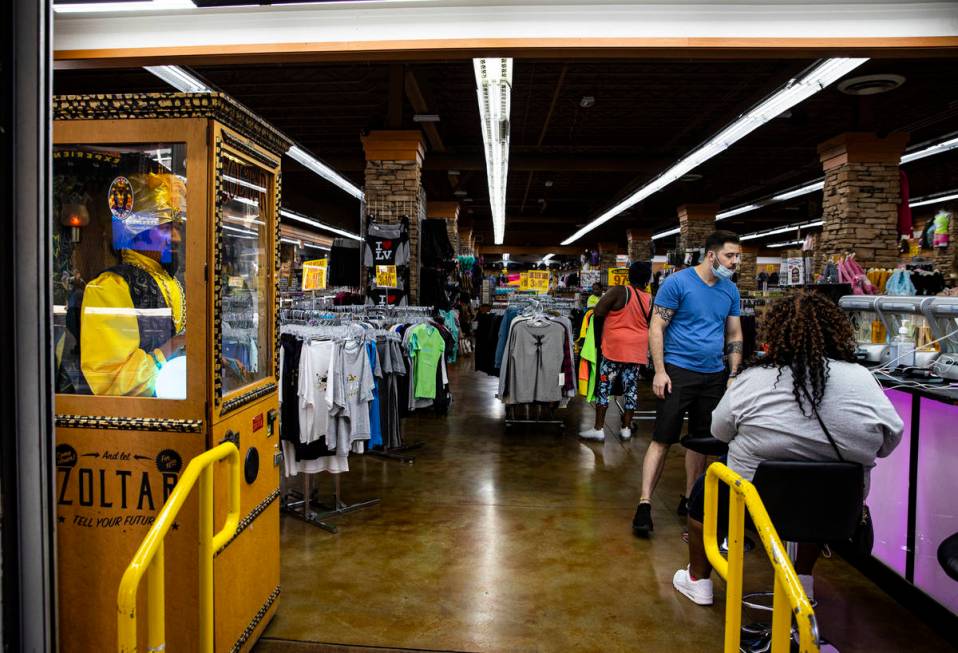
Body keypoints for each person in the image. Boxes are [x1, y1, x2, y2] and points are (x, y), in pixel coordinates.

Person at [672, 290, 903, 606]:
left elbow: (719, 430)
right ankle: (803, 577)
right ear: (837, 331)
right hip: (834, 505)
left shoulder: (754, 377)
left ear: (776, 332)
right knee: (817, 490)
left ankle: (699, 580)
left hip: (753, 505)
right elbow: (889, 440)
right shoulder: (862, 378)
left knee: (704, 491)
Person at [633, 230, 743, 536]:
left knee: (702, 441)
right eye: (729, 256)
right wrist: (659, 370)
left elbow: (734, 334)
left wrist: (732, 375)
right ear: (711, 255)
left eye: (737, 256)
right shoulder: (677, 283)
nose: (735, 262)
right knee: (663, 438)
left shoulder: (729, 291)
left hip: (713, 374)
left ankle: (690, 498)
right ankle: (644, 504)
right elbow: (657, 326)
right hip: (678, 371)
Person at [80, 172, 187, 396]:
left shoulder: (170, 281)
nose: (176, 237)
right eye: (166, 228)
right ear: (138, 232)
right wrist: (175, 344)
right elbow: (112, 383)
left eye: (176, 227)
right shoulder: (110, 287)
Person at [580, 261, 652, 442]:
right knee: (631, 388)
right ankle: (626, 428)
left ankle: (598, 429)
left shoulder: (620, 291)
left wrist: (597, 340)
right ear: (647, 279)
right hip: (637, 349)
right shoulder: (649, 298)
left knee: (604, 386)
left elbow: (598, 311)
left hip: (614, 348)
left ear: (629, 275)